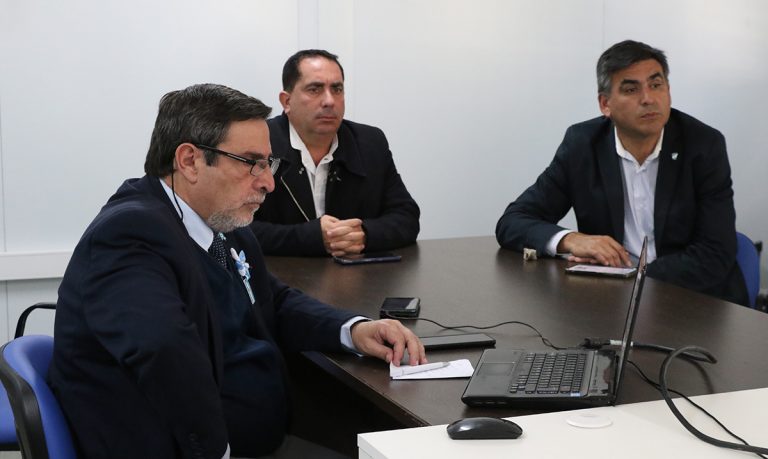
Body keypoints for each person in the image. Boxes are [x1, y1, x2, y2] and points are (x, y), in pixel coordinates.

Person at [50, 83, 427, 459]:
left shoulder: (221, 223)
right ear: (189, 161)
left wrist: (353, 330)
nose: (268, 182)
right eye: (251, 163)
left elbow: (272, 300)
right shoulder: (129, 235)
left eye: (268, 163)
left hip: (267, 434)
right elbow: (166, 357)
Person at [496, 40, 748, 306]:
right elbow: (513, 221)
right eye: (631, 89)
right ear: (605, 104)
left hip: (693, 299)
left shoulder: (703, 145)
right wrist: (570, 239)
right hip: (610, 302)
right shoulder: (583, 145)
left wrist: (633, 278)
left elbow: (715, 253)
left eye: (656, 85)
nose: (648, 99)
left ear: (668, 91)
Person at [250, 49, 420, 257]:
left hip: (359, 273)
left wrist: (364, 235)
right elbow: (236, 229)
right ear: (287, 101)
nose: (329, 101)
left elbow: (406, 217)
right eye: (315, 89)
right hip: (280, 274)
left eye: (337, 89)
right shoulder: (258, 144)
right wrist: (311, 237)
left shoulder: (369, 143)